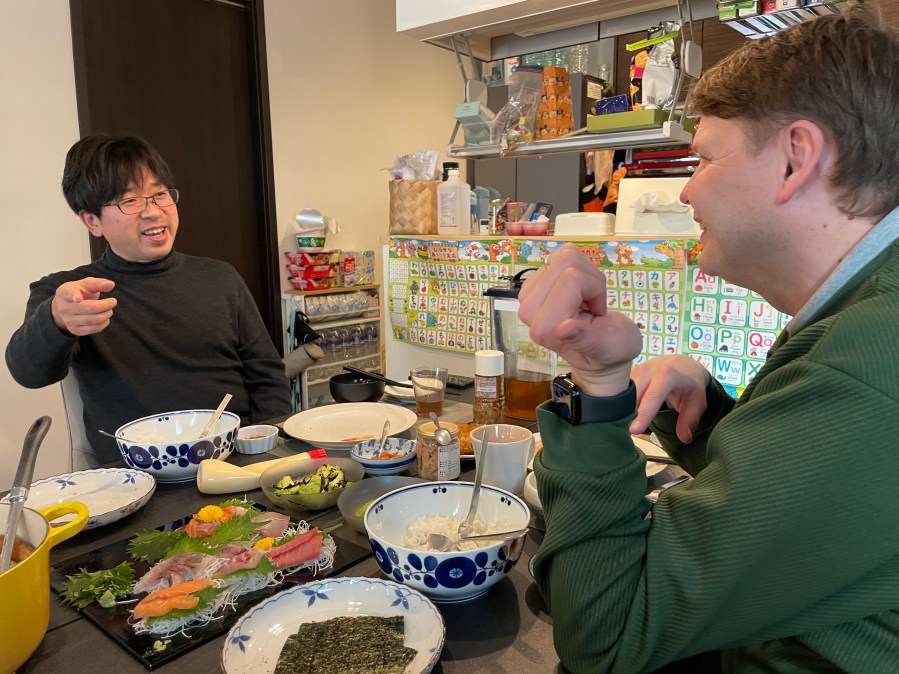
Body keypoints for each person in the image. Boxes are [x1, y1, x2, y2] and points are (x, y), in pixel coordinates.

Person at [518, 6, 899, 674]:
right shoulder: (863, 321)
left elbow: (604, 637)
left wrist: (596, 389)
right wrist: (716, 418)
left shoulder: (862, 370)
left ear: (796, 158)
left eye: (705, 158)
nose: (686, 191)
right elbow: (821, 516)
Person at [6, 134, 290, 465]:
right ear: (92, 221)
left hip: (233, 464)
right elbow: (28, 372)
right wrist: (56, 321)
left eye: (159, 194)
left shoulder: (220, 277)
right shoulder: (73, 294)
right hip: (138, 477)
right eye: (130, 201)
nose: (153, 212)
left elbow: (267, 375)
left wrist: (265, 454)